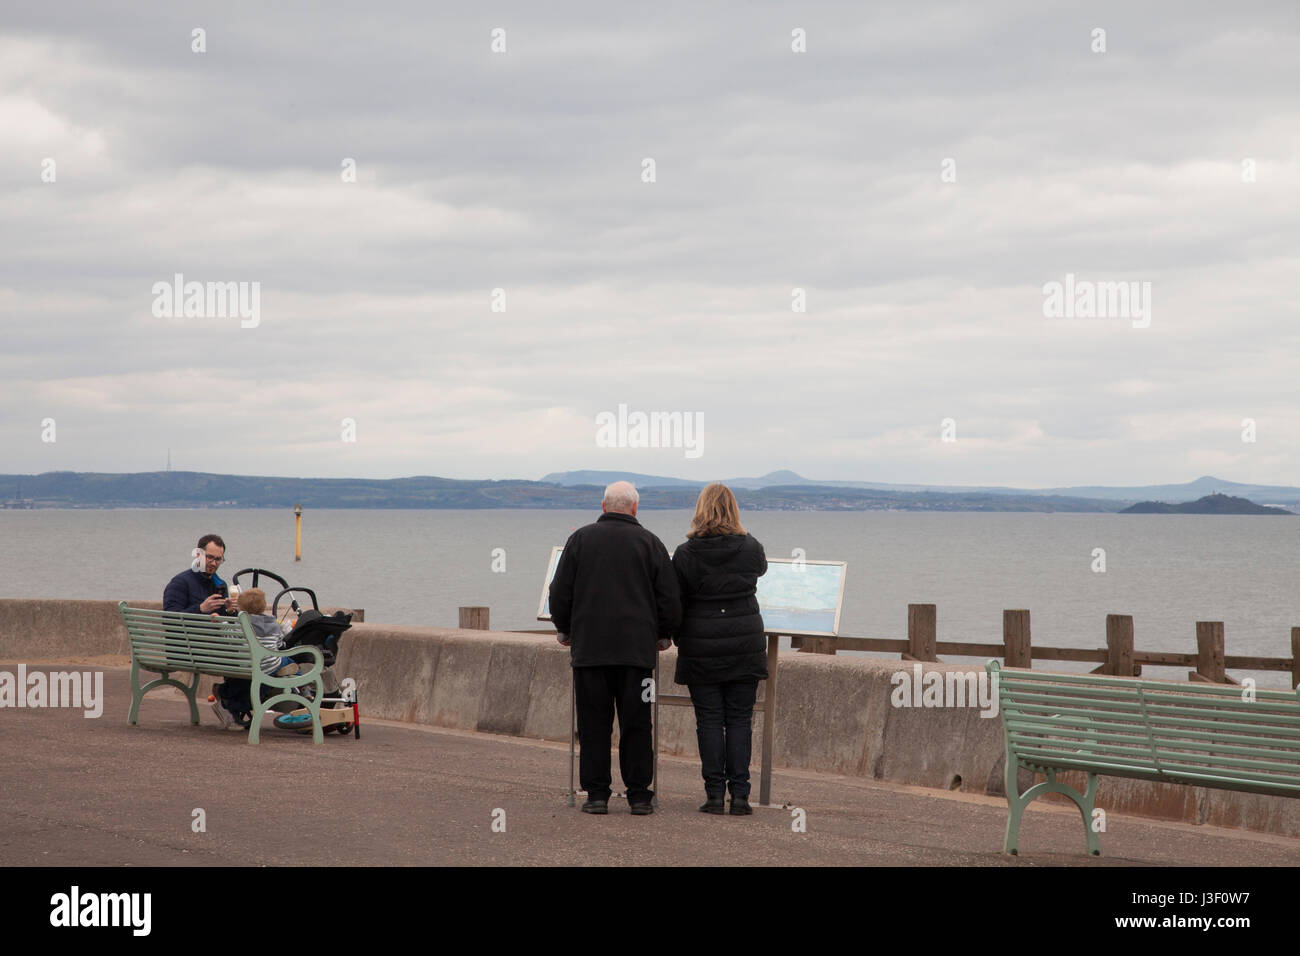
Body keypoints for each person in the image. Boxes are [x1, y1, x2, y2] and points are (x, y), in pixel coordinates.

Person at [548, 481, 681, 815]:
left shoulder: (579, 539)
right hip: (637, 654)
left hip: (590, 650)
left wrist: (564, 628)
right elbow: (669, 597)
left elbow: (560, 591)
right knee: (637, 723)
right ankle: (639, 795)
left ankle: (596, 795)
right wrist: (664, 634)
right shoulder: (651, 543)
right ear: (635, 509)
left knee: (594, 723)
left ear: (603, 506)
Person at [671, 483, 768, 815]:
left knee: (709, 720)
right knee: (741, 720)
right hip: (745, 641)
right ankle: (740, 796)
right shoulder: (751, 547)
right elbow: (761, 570)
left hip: (701, 643)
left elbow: (675, 598)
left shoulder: (685, 554)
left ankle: (714, 794)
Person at [163, 533, 248, 729]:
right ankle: (228, 700)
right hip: (187, 649)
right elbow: (169, 619)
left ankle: (229, 699)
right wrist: (200, 609)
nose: (213, 563)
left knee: (249, 654)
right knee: (245, 656)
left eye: (218, 559)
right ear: (198, 555)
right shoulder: (180, 582)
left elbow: (222, 622)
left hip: (211, 647)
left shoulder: (219, 584)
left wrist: (230, 611)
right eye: (210, 557)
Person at [236, 588, 299, 679]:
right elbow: (279, 644)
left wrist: (220, 623)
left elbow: (229, 636)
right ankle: (303, 686)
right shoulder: (273, 623)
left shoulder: (239, 625)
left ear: (241, 609)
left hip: (246, 666)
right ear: (264, 606)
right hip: (270, 666)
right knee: (288, 661)